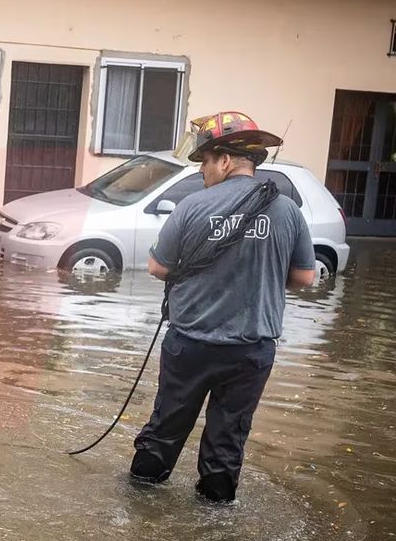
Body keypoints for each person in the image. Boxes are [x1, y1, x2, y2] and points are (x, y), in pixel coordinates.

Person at [129, 111, 317, 503]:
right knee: (227, 440)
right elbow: (305, 278)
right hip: (251, 351)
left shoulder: (191, 207)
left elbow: (157, 267)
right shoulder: (287, 211)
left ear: (225, 160)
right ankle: (215, 514)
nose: (202, 173)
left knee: (164, 431)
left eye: (205, 163)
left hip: (191, 345)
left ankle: (139, 504)